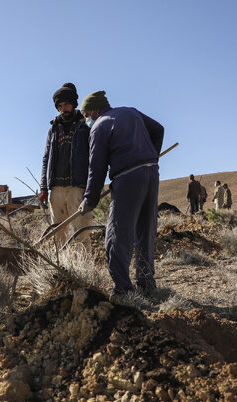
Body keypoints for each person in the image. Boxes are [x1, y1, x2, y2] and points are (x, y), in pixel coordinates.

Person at [77, 91, 164, 300]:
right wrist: (151, 155)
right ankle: (146, 285)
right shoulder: (130, 112)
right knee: (145, 231)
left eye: (86, 114)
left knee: (117, 235)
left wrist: (90, 199)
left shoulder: (99, 125)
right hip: (151, 173)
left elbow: (96, 167)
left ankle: (123, 290)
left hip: (128, 178)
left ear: (95, 110)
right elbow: (158, 129)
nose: (86, 119)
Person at [40, 83, 92, 246]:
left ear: (74, 104)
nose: (63, 109)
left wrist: (91, 186)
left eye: (66, 104)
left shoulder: (86, 125)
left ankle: (84, 269)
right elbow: (46, 158)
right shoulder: (53, 129)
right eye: (60, 106)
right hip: (56, 189)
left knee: (81, 232)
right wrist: (43, 188)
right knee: (58, 234)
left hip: (77, 187)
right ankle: (62, 267)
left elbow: (94, 155)